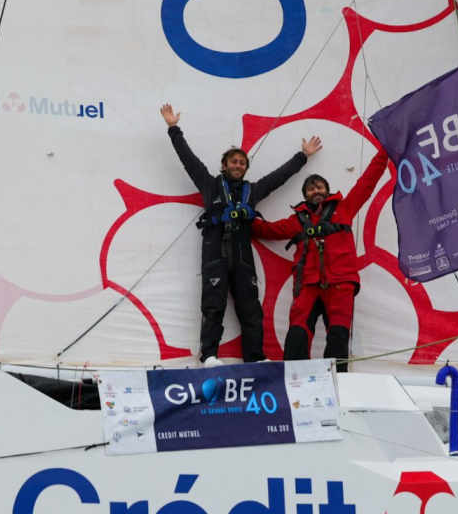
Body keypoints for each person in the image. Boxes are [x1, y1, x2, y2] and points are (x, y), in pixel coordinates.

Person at [160, 103, 322, 366]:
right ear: (224, 165)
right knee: (213, 306)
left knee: (251, 310)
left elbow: (279, 177)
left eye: (242, 163)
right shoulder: (210, 185)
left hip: (243, 259)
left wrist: (302, 156)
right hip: (215, 255)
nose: (238, 165)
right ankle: (209, 355)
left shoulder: (252, 190)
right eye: (234, 161)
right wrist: (173, 128)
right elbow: (187, 159)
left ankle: (255, 358)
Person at [253, 148, 389, 370]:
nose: (316, 190)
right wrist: (246, 217)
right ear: (305, 195)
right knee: (297, 333)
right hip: (307, 284)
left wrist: (384, 151)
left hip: (341, 284)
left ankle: (338, 384)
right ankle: (294, 381)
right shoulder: (297, 220)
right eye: (311, 188)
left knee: (338, 335)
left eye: (319, 186)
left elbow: (368, 180)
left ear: (327, 190)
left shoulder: (345, 208)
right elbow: (268, 230)